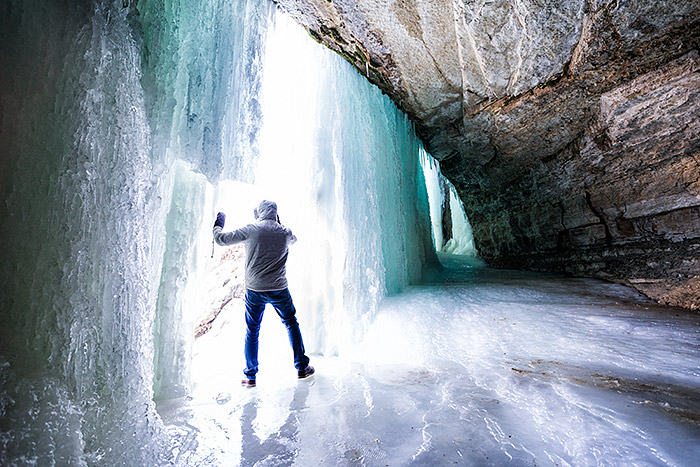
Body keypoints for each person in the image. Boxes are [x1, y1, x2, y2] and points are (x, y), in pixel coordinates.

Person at [213, 200, 314, 388]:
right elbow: (294, 239)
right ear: (275, 213)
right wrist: (279, 223)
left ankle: (250, 376)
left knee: (252, 331)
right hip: (279, 288)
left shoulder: (252, 229)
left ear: (259, 213)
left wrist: (218, 224)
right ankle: (302, 367)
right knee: (291, 323)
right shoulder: (285, 232)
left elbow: (221, 240)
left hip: (255, 290)